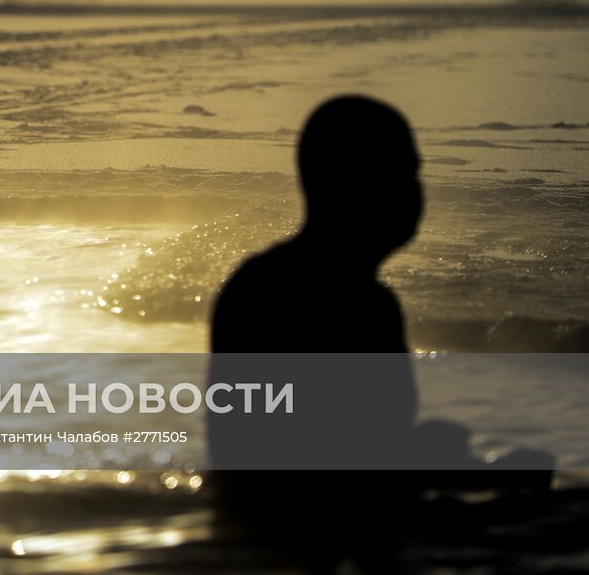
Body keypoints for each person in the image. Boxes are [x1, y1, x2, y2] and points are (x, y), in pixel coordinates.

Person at [207, 95, 550, 571]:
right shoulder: (328, 301)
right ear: (351, 184)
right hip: (292, 536)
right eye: (404, 175)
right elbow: (331, 475)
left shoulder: (286, 286)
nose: (416, 194)